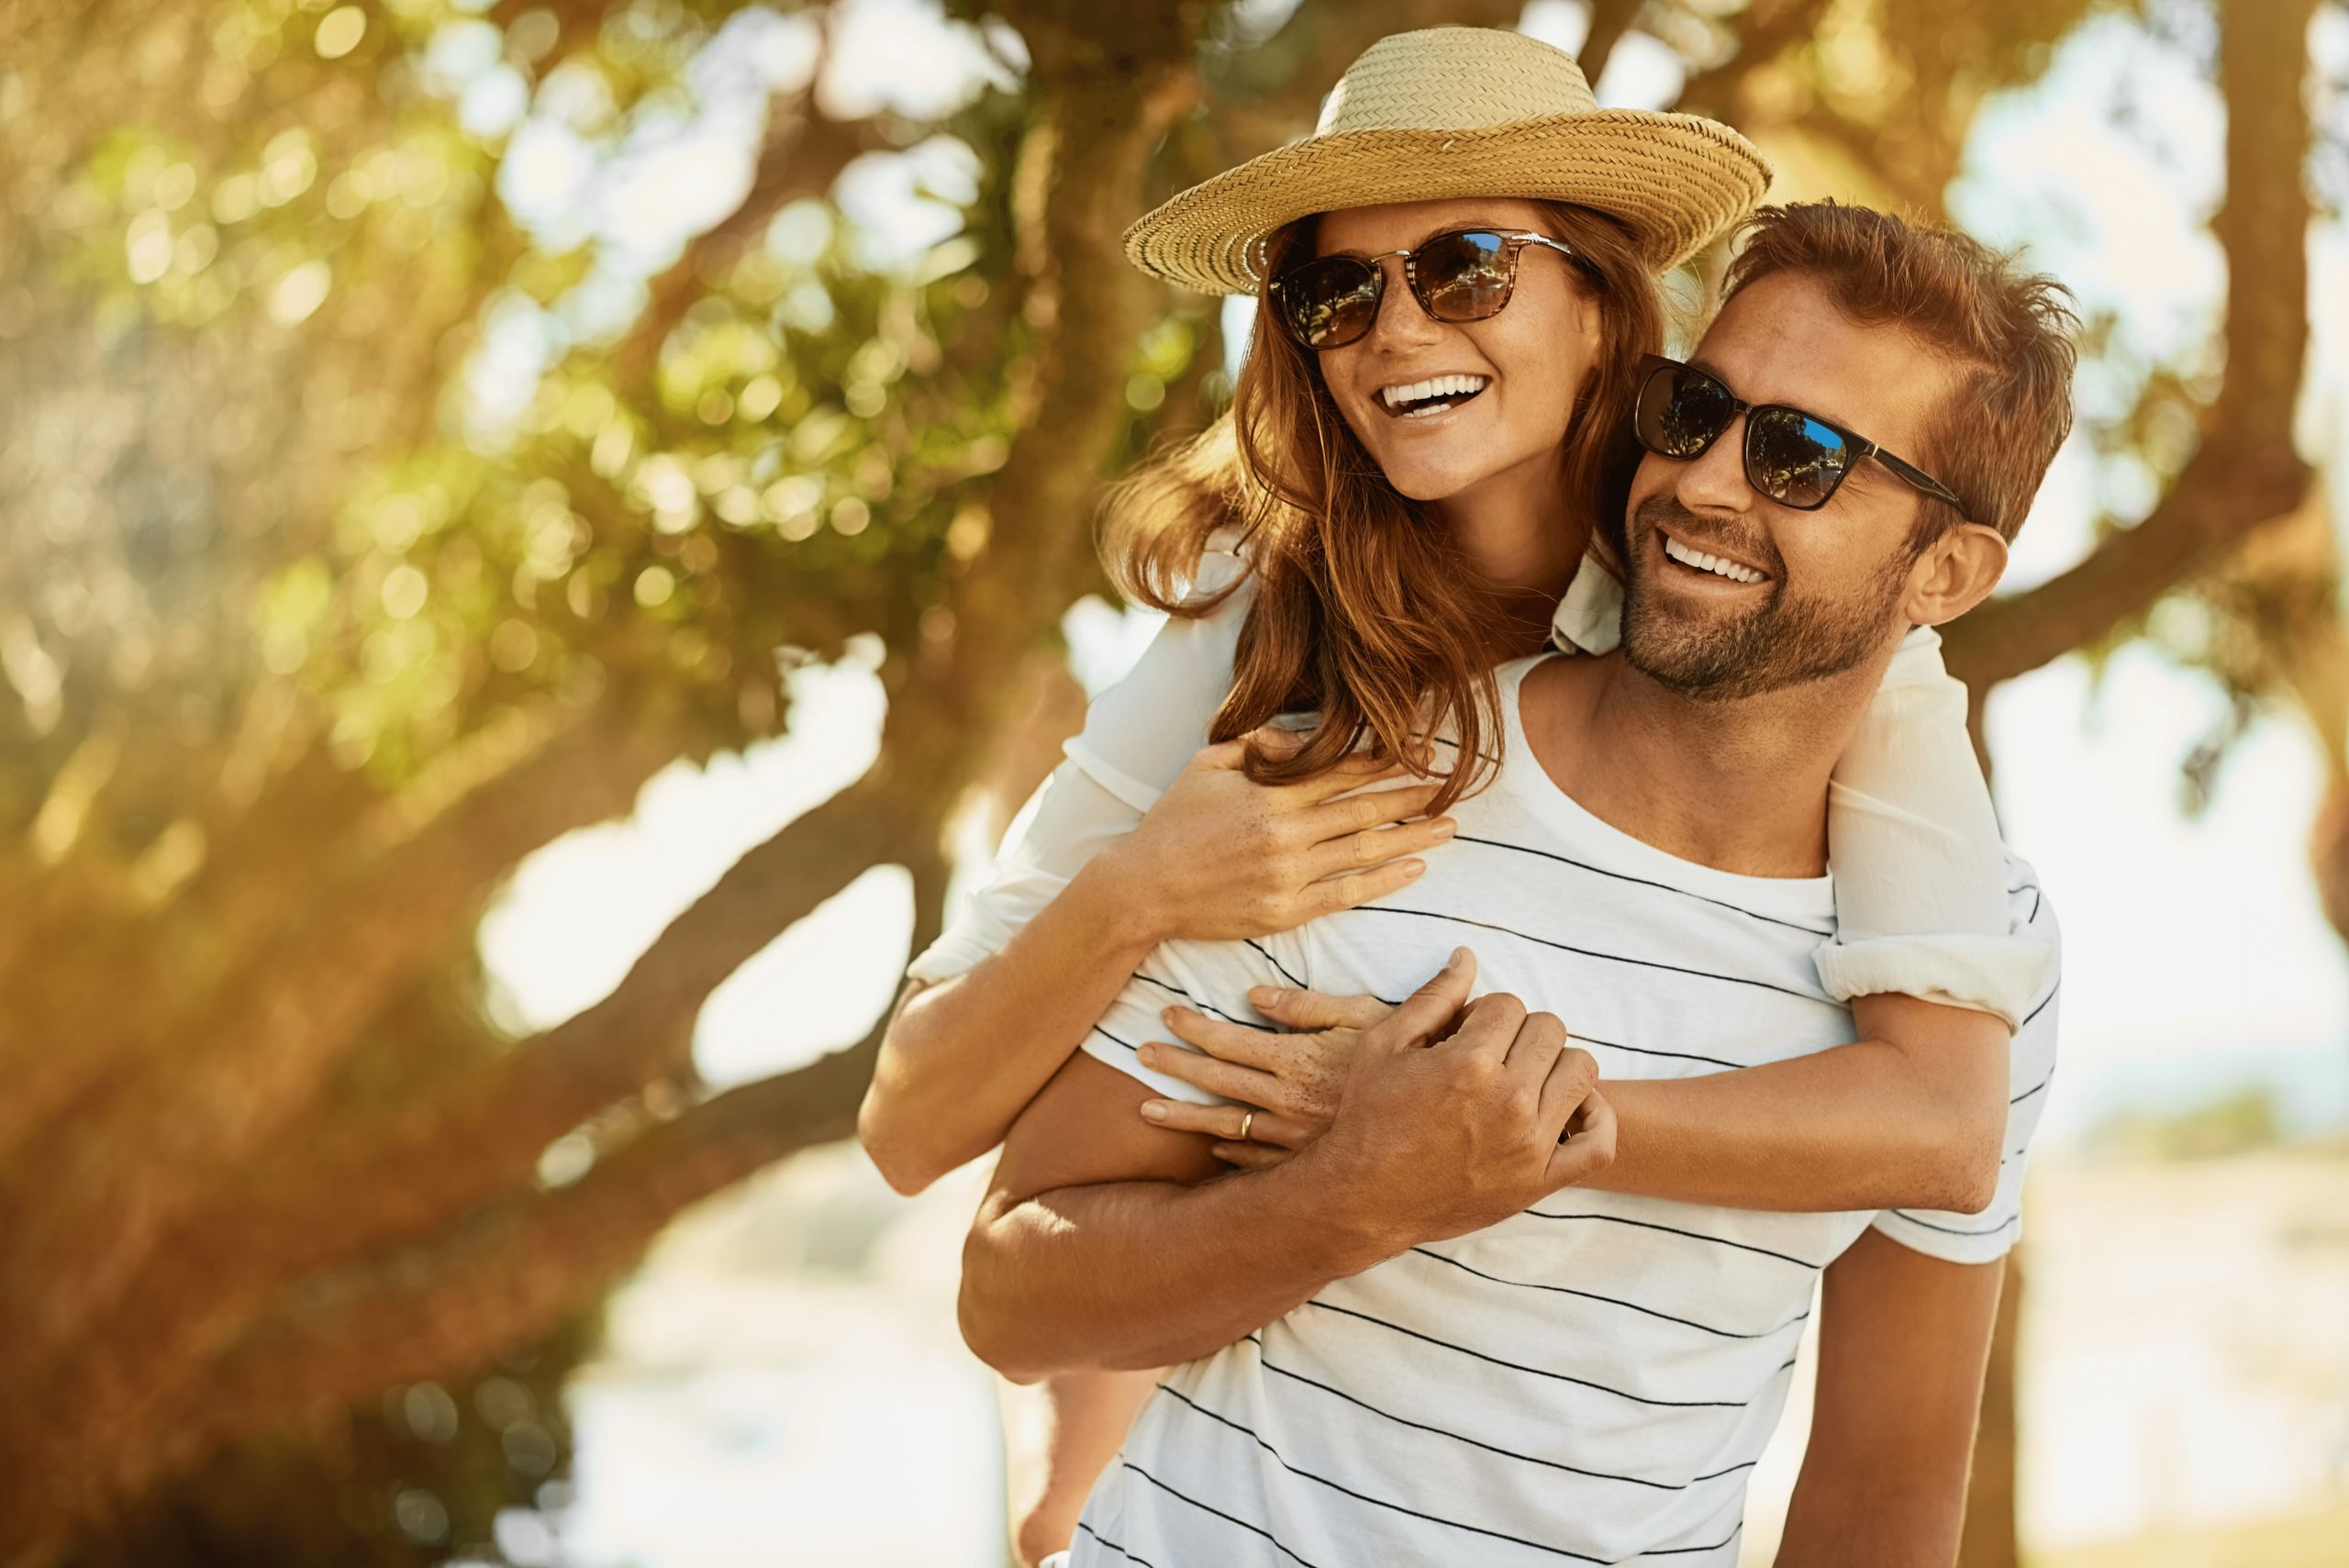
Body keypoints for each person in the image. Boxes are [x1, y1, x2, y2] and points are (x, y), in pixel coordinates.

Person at [860, 26, 2057, 1562]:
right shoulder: (1280, 671)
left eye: (1468, 267)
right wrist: (1149, 890)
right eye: (1336, 293)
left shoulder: (1808, 654)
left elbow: (1945, 1124)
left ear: (1602, 301)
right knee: (1070, 1479)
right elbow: (925, 1147)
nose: (1396, 330)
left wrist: (1490, 1128)